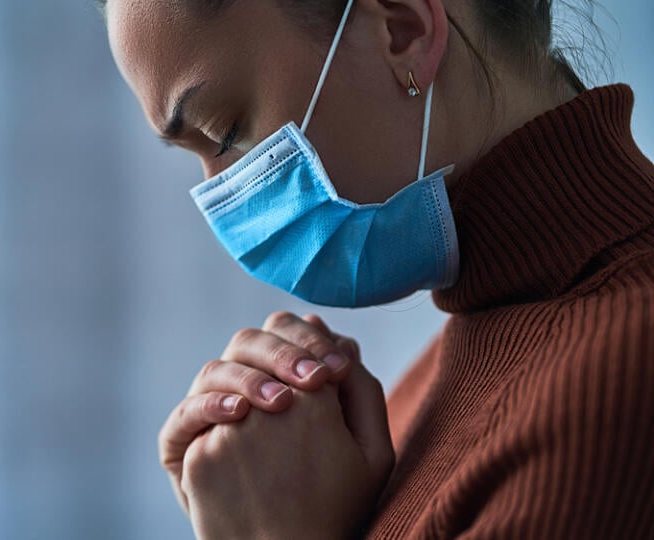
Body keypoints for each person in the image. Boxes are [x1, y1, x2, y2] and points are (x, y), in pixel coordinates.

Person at [100, 0, 654, 537]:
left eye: (225, 130)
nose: (225, 195)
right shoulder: (433, 387)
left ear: (402, 32)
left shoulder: (611, 392)